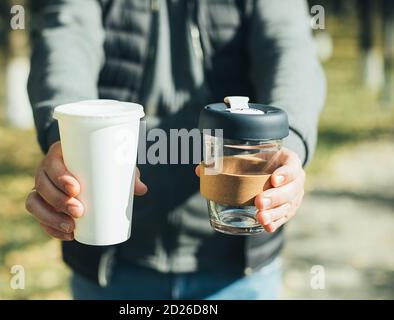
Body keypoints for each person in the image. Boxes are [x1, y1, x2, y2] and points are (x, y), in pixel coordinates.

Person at [25, 0, 326, 299]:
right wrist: (63, 139)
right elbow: (67, 40)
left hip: (236, 265)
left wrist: (289, 146)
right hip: (110, 265)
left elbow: (288, 49)